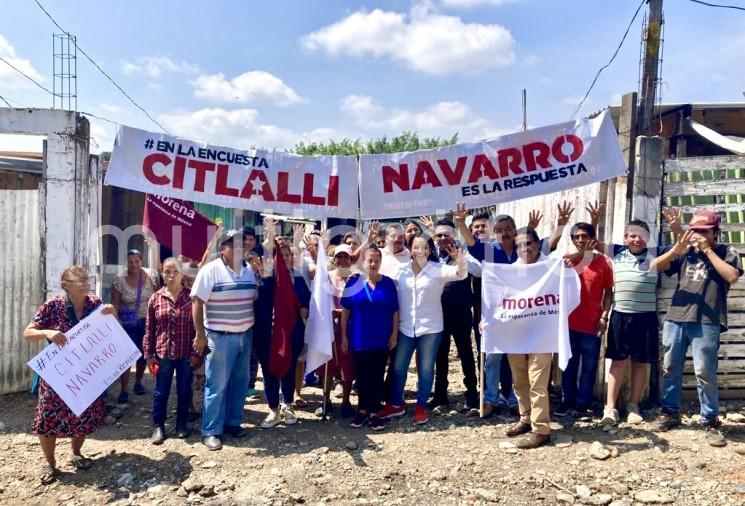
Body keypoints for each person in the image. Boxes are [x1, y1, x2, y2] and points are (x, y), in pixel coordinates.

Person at [651, 210, 742, 446]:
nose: (698, 235)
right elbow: (655, 266)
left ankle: (710, 421)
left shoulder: (726, 252)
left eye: (704, 231)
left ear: (715, 233)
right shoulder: (684, 251)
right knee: (670, 367)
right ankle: (670, 413)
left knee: (705, 372)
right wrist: (676, 247)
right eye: (695, 230)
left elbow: (731, 276)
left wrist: (707, 250)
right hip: (676, 317)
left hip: (707, 320)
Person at [23, 266, 115, 484]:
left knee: (82, 415)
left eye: (86, 278)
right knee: (48, 418)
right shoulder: (53, 306)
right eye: (79, 279)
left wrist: (112, 314)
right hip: (57, 374)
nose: (85, 282)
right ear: (65, 285)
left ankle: (76, 453)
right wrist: (47, 332)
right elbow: (28, 332)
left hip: (86, 372)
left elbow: (111, 329)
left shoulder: (95, 303)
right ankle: (50, 464)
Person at [378, 234, 467, 425]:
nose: (421, 251)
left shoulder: (437, 270)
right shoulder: (400, 271)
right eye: (417, 247)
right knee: (399, 366)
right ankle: (396, 404)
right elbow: (381, 280)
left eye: (425, 247)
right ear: (410, 249)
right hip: (405, 327)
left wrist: (460, 262)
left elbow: (461, 274)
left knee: (426, 368)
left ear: (429, 250)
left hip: (431, 328)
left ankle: (421, 405)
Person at [597, 218, 670, 425]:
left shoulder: (655, 256)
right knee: (617, 363)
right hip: (620, 316)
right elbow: (594, 242)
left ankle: (633, 405)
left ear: (647, 239)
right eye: (632, 235)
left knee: (640, 363)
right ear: (625, 238)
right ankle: (609, 408)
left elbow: (678, 251)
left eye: (641, 236)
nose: (636, 239)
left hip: (645, 317)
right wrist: (595, 220)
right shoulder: (617, 253)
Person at [191, 229, 259, 451]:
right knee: (217, 385)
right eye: (233, 244)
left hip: (245, 335)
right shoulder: (210, 271)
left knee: (240, 383)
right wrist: (200, 334)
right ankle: (211, 430)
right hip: (220, 338)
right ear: (223, 249)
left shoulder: (249, 271)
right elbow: (197, 302)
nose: (239, 247)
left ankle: (232, 422)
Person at [553, 222, 613, 417]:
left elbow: (608, 292)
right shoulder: (569, 262)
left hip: (592, 324)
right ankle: (566, 401)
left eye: (584, 236)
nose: (581, 240)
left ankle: (583, 404)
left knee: (589, 366)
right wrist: (582, 255)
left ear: (592, 239)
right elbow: (561, 262)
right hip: (569, 324)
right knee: (568, 365)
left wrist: (604, 316)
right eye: (576, 237)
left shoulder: (603, 263)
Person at [504, 227, 554, 449]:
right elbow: (499, 300)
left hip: (542, 333)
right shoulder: (509, 271)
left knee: (538, 381)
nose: (524, 249)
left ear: (537, 244)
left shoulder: (551, 267)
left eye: (529, 243)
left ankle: (541, 429)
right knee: (520, 379)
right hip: (516, 333)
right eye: (519, 245)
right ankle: (526, 418)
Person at [144, 258, 203, 444]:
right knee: (161, 392)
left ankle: (181, 424)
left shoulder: (191, 297)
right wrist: (149, 355)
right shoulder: (156, 298)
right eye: (166, 272)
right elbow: (149, 329)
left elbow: (198, 327)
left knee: (185, 390)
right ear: (162, 274)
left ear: (181, 274)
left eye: (174, 272)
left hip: (186, 353)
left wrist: (196, 354)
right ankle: (158, 427)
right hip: (163, 355)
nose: (170, 275)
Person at [341, 247, 400, 430]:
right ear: (363, 262)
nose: (373, 264)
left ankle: (375, 411)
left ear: (380, 262)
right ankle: (362, 410)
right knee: (362, 376)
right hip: (359, 339)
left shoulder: (389, 283)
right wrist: (343, 336)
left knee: (377, 375)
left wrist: (394, 334)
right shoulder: (353, 283)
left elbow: (395, 312)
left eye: (376, 260)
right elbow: (345, 312)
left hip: (381, 339)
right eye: (369, 260)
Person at [254, 243, 311, 428]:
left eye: (288, 255)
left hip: (291, 332)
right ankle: (273, 410)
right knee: (269, 372)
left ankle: (288, 405)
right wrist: (265, 281)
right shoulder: (264, 277)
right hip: (267, 333)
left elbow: (307, 300)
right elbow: (259, 302)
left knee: (289, 368)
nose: (285, 258)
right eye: (281, 255)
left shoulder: (299, 279)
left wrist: (304, 308)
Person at [430, 218, 479, 414]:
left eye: (446, 234)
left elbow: (479, 271)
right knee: (440, 356)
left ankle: (472, 395)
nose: (442, 238)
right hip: (438, 314)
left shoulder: (464, 252)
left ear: (454, 235)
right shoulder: (431, 255)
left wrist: (462, 260)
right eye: (438, 235)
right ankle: (440, 394)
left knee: (466, 354)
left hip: (461, 313)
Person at [111, 249, 160, 403]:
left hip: (148, 321)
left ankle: (138, 383)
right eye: (130, 262)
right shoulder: (119, 279)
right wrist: (115, 322)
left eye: (136, 261)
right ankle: (124, 390)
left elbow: (159, 297)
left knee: (143, 355)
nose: (133, 265)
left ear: (141, 261)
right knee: (125, 357)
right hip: (127, 323)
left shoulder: (151, 276)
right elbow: (116, 302)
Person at [316, 244, 357, 418]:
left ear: (351, 259)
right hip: (329, 327)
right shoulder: (327, 278)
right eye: (339, 257)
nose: (342, 260)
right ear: (334, 259)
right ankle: (326, 400)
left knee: (348, 365)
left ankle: (346, 400)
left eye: (346, 257)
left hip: (349, 328)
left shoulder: (356, 279)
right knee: (327, 365)